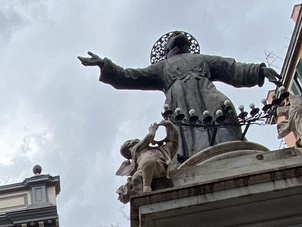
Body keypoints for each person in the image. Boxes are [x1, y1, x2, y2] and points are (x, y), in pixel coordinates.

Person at [80, 31, 282, 160]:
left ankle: (232, 153)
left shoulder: (202, 59)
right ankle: (190, 159)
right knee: (183, 132)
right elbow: (131, 76)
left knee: (223, 111)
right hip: (180, 104)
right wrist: (105, 65)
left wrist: (259, 71)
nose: (178, 39)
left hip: (208, 95)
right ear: (168, 50)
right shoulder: (162, 67)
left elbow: (231, 68)